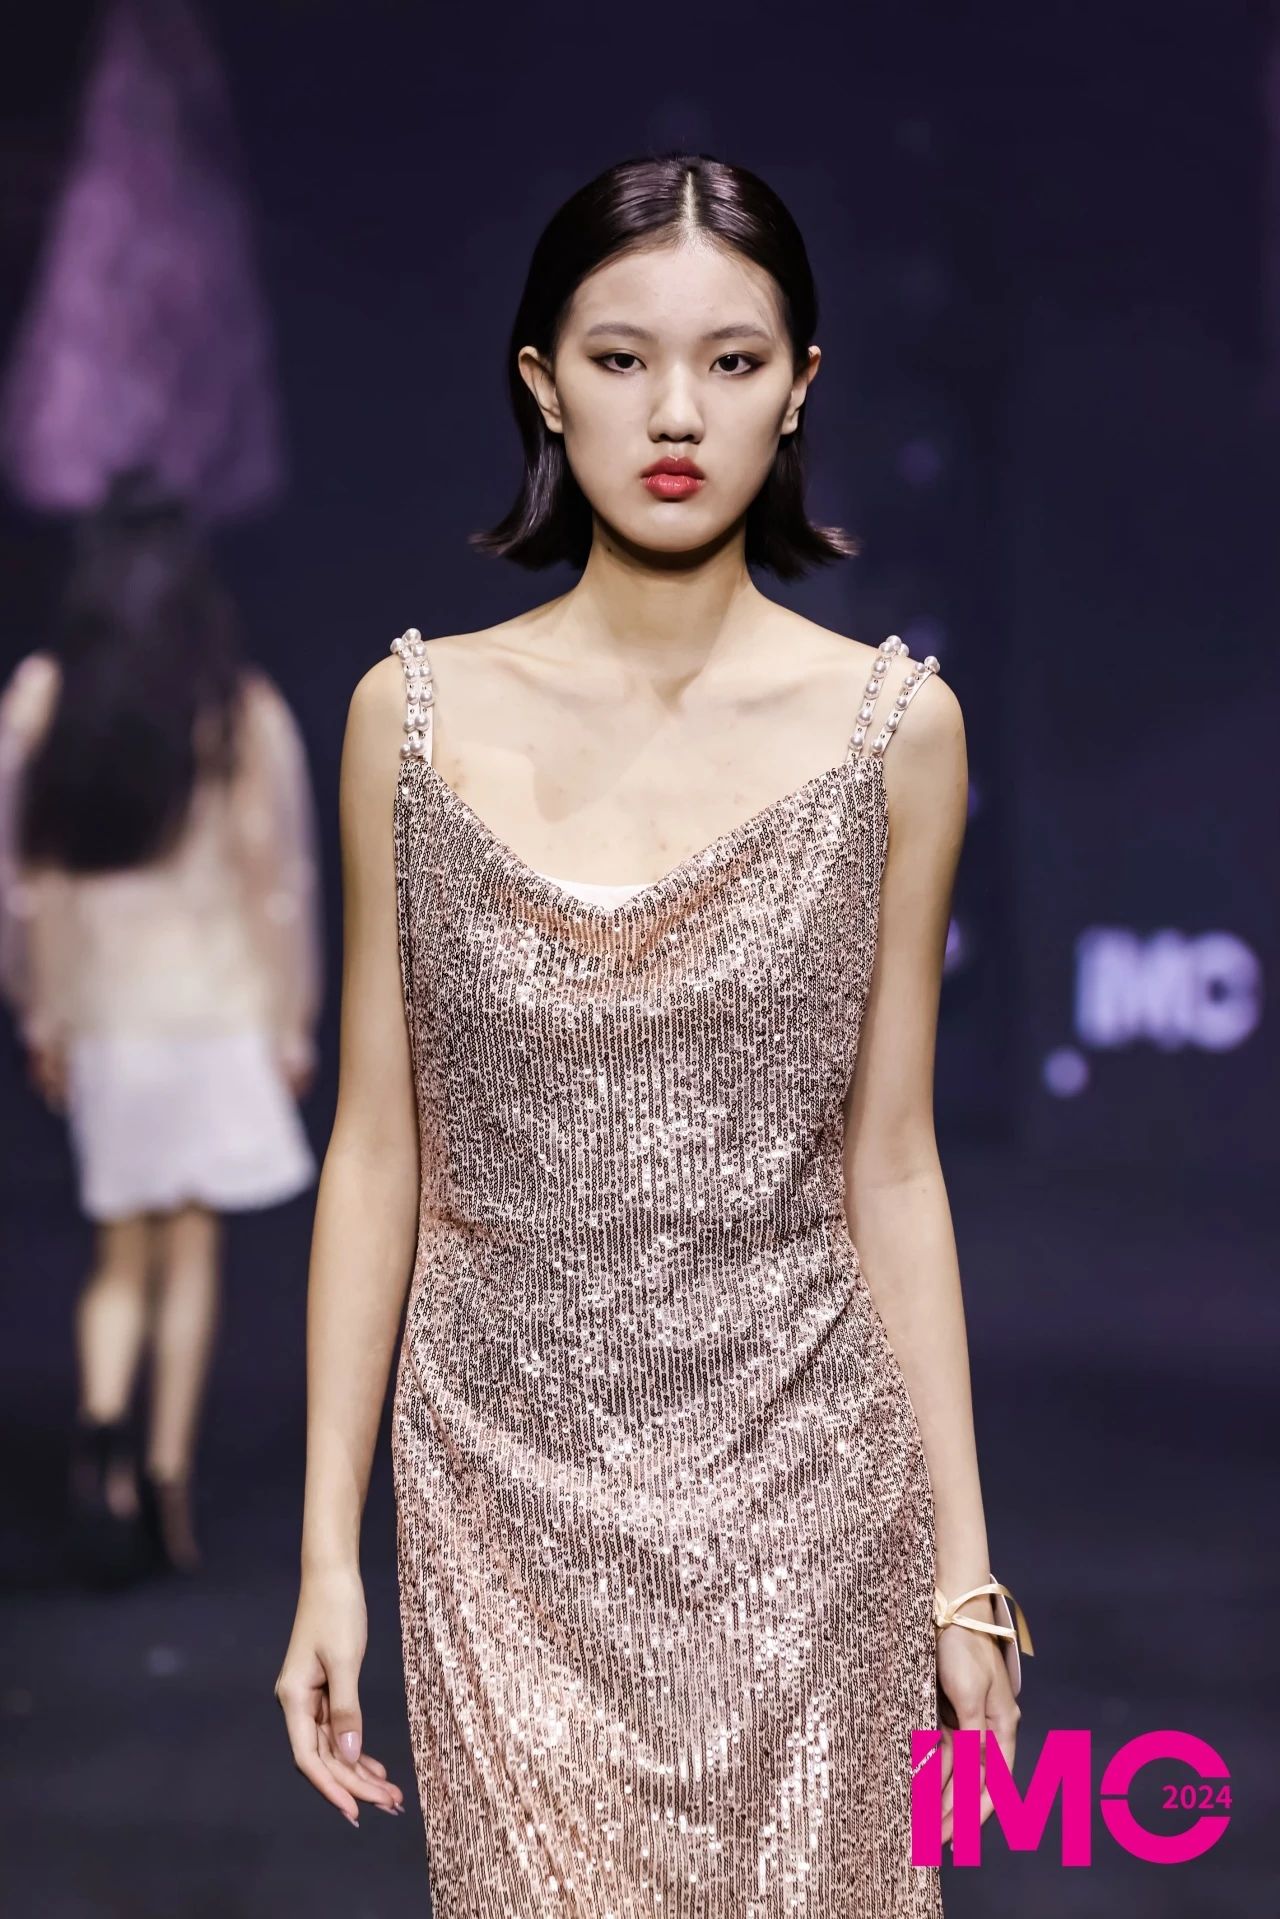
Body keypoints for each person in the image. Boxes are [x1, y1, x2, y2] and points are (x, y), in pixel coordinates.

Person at [275, 152, 1034, 1909]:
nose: (676, 411)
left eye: (732, 360)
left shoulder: (894, 730)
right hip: (499, 1500)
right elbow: (380, 1150)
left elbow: (892, 1164)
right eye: (621, 359)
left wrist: (963, 1570)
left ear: (801, 387)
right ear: (543, 383)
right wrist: (326, 1555)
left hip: (811, 1500)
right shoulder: (412, 717)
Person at [0, 468, 322, 1587]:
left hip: (110, 1013)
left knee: (117, 1250)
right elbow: (275, 880)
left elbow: (27, 883)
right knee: (190, 1250)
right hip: (215, 1009)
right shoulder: (230, 702)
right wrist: (291, 1018)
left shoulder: (45, 698)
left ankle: (102, 1425)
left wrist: (44, 1009)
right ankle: (166, 1474)